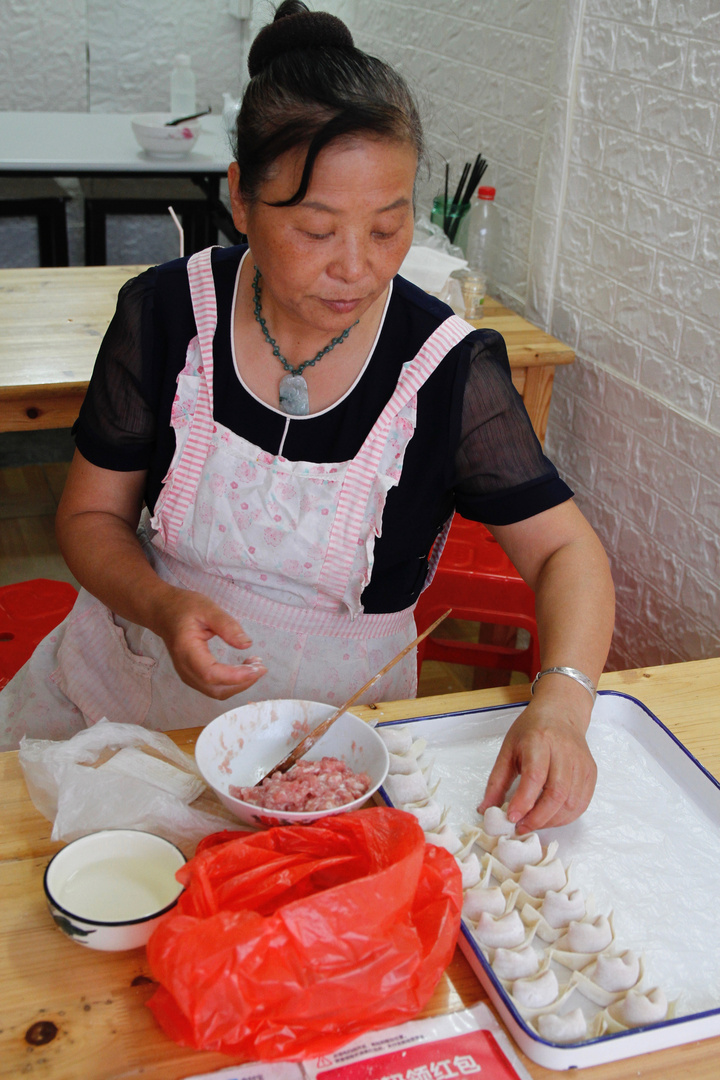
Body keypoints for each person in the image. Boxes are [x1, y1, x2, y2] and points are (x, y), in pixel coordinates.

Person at [0, 1, 614, 833]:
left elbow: (567, 551)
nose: (356, 268)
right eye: (317, 229)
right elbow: (90, 515)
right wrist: (161, 604)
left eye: (389, 228)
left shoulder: (445, 370)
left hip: (327, 753)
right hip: (122, 699)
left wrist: (564, 703)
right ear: (242, 201)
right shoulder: (168, 315)